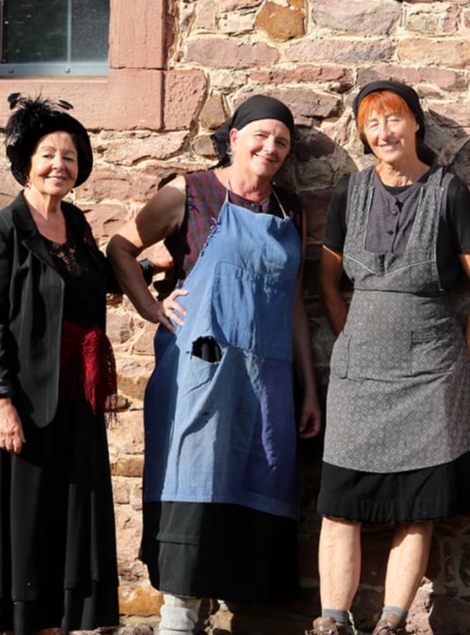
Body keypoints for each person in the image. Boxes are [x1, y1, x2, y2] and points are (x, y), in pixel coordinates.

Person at [106, 95, 322, 635]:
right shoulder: (192, 191)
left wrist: (309, 387)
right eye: (261, 136)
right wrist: (151, 308)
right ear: (234, 138)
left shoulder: (289, 209)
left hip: (266, 379)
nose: (270, 148)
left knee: (259, 474)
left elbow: (294, 301)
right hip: (199, 373)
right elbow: (120, 247)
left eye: (282, 142)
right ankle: (179, 617)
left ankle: (235, 615)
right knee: (194, 478)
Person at [0, 94, 155, 634]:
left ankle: (53, 625)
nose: (59, 166)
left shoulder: (77, 225)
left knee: (65, 523)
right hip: (21, 403)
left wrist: (155, 265)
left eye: (69, 157)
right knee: (23, 524)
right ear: (25, 163)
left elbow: (94, 286)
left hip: (73, 404)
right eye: (48, 155)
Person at [308, 80, 470, 635]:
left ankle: (393, 622)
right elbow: (329, 280)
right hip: (358, 372)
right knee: (339, 500)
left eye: (393, 120)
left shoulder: (449, 192)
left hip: (430, 373)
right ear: (363, 136)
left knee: (417, 504)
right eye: (372, 124)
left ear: (415, 124)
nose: (383, 133)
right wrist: (352, 338)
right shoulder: (350, 192)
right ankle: (332, 622)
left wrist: (457, 359)